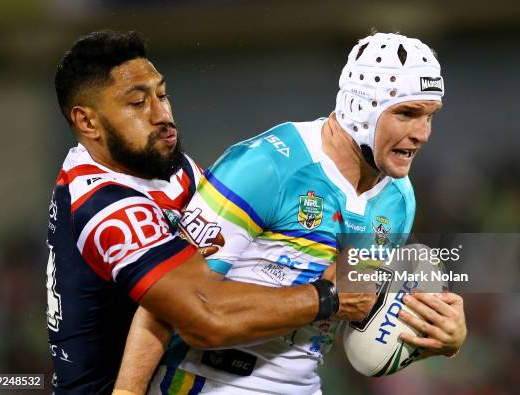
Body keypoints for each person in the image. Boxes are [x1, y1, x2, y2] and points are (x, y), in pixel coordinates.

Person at [114, 32, 467, 395]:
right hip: (206, 382)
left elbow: (353, 317)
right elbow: (166, 304)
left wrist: (431, 334)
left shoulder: (399, 200)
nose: (423, 133)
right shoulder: (267, 166)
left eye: (430, 116)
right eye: (406, 114)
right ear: (361, 107)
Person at [45, 30, 377, 395]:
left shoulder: (162, 165)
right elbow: (205, 318)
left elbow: (238, 260)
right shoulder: (108, 211)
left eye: (161, 94)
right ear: (87, 122)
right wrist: (328, 297)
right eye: (137, 103)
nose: (162, 115)